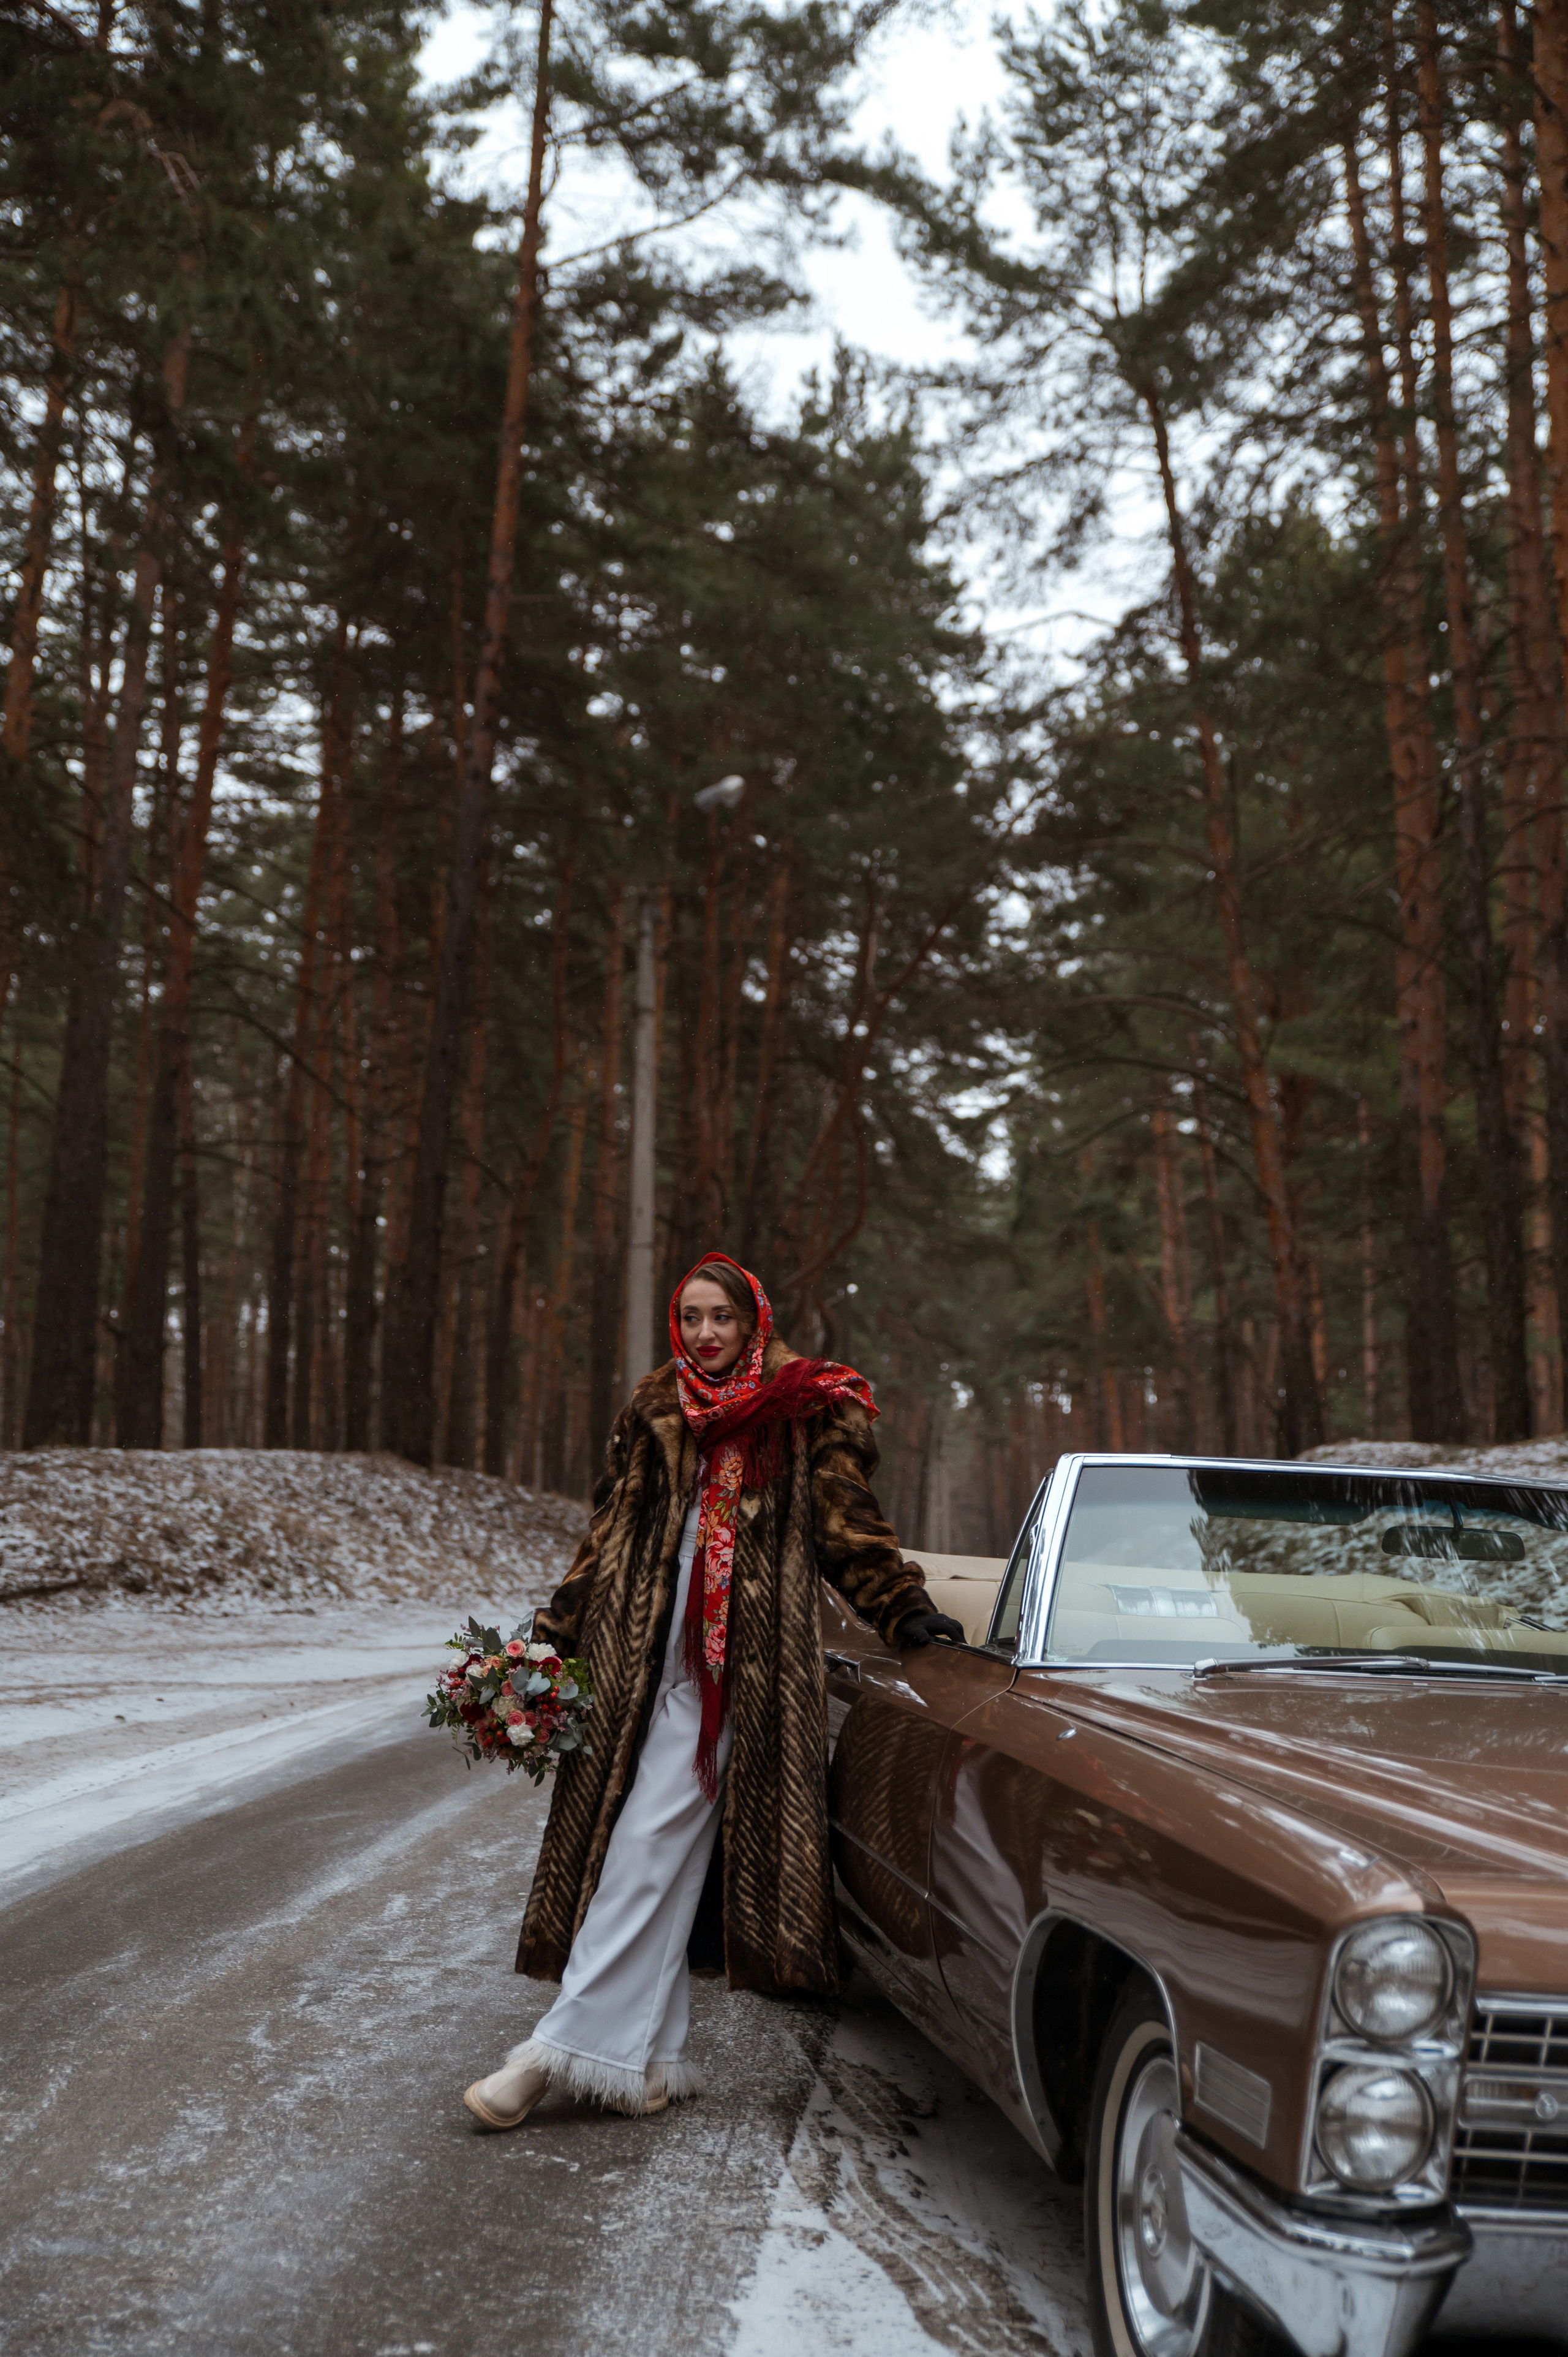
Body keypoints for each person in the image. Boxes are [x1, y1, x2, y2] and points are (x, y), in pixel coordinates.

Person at [463, 1252, 962, 2128]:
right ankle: (648, 2061)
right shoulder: (657, 1407)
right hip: (639, 1666)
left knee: (643, 1851)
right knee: (660, 1855)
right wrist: (551, 1637)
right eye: (691, 1317)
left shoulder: (809, 1407)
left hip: (742, 1678)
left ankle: (553, 2053)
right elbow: (607, 1539)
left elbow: (849, 1529)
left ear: (754, 1322)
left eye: (722, 1317)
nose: (706, 1333)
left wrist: (903, 1608)